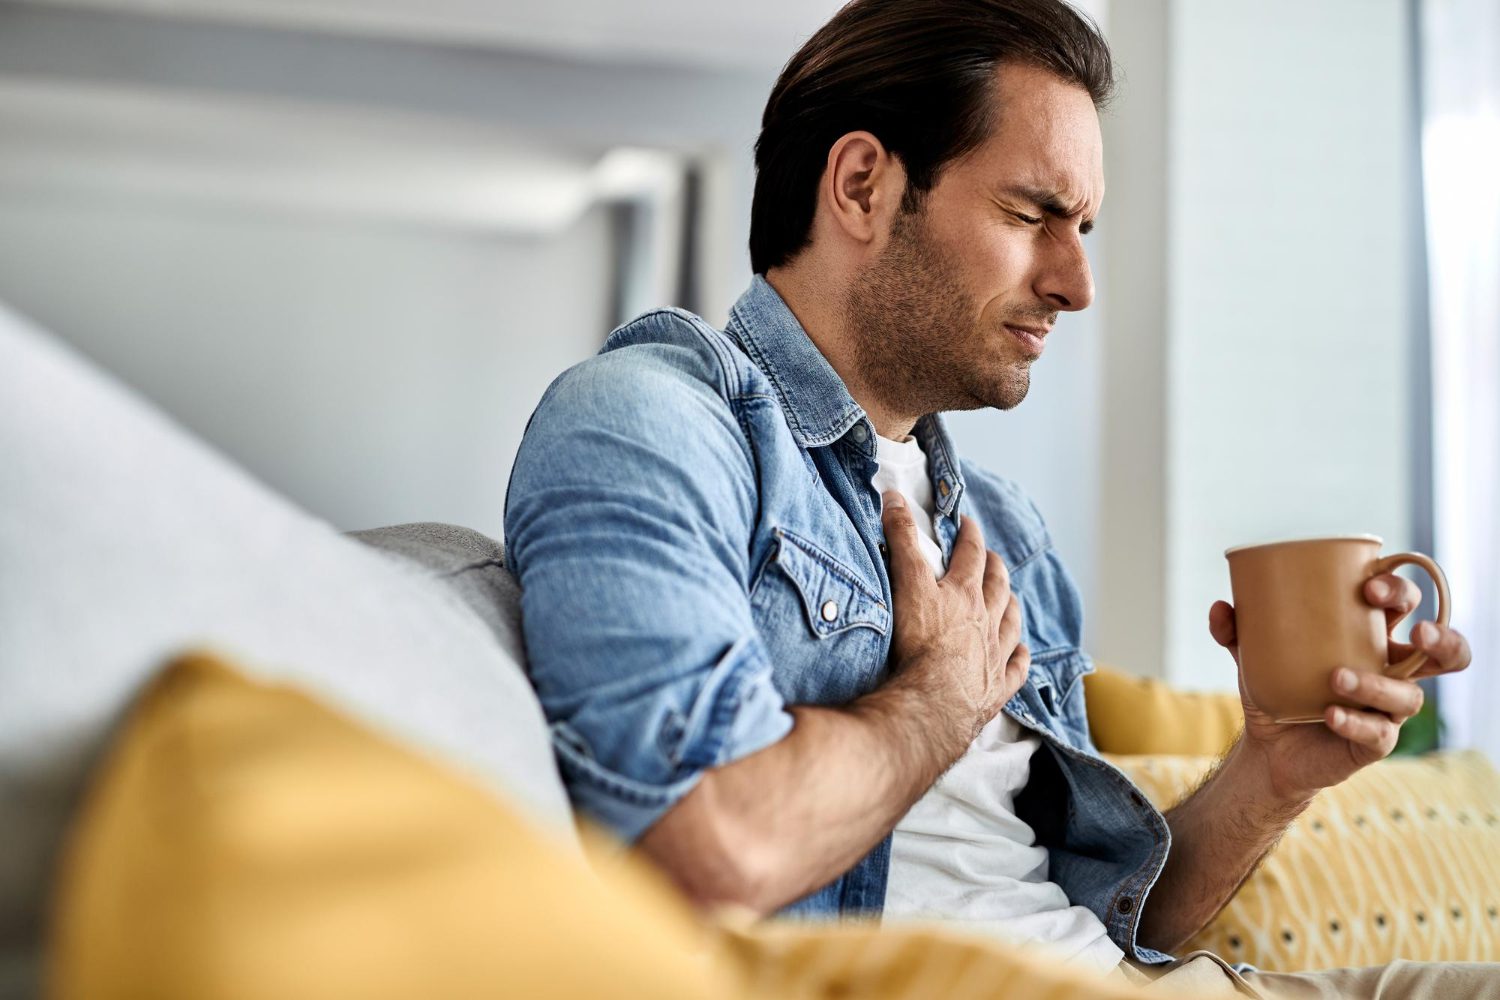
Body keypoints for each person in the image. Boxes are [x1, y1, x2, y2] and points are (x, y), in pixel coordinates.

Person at [503, 1, 1489, 994]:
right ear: (862, 186)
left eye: (1085, 227)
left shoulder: (1002, 529)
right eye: (1031, 215)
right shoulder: (656, 423)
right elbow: (696, 852)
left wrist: (1274, 772)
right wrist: (934, 706)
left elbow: (1101, 913)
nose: (1077, 283)